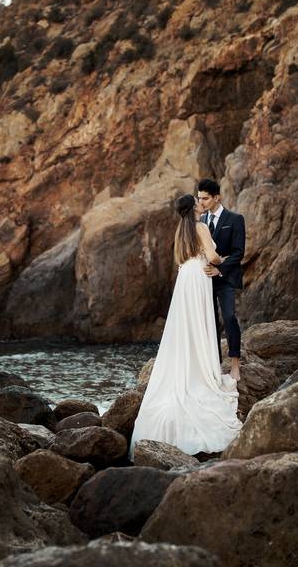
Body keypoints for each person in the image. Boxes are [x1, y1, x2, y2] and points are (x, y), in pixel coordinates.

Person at [128, 193, 243, 460]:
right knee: (200, 326)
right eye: (198, 202)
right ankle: (202, 372)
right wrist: (222, 262)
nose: (202, 205)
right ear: (193, 208)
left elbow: (182, 258)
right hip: (200, 276)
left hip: (186, 278)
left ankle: (189, 368)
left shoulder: (181, 230)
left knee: (185, 328)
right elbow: (213, 256)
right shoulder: (200, 227)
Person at [197, 178, 246, 378]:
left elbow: (239, 252)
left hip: (225, 278)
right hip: (205, 279)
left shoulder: (235, 219)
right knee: (210, 322)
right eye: (199, 198)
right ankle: (215, 365)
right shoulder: (201, 222)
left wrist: (220, 269)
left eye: (206, 199)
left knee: (229, 317)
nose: (201, 203)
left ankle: (235, 364)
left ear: (217, 197)